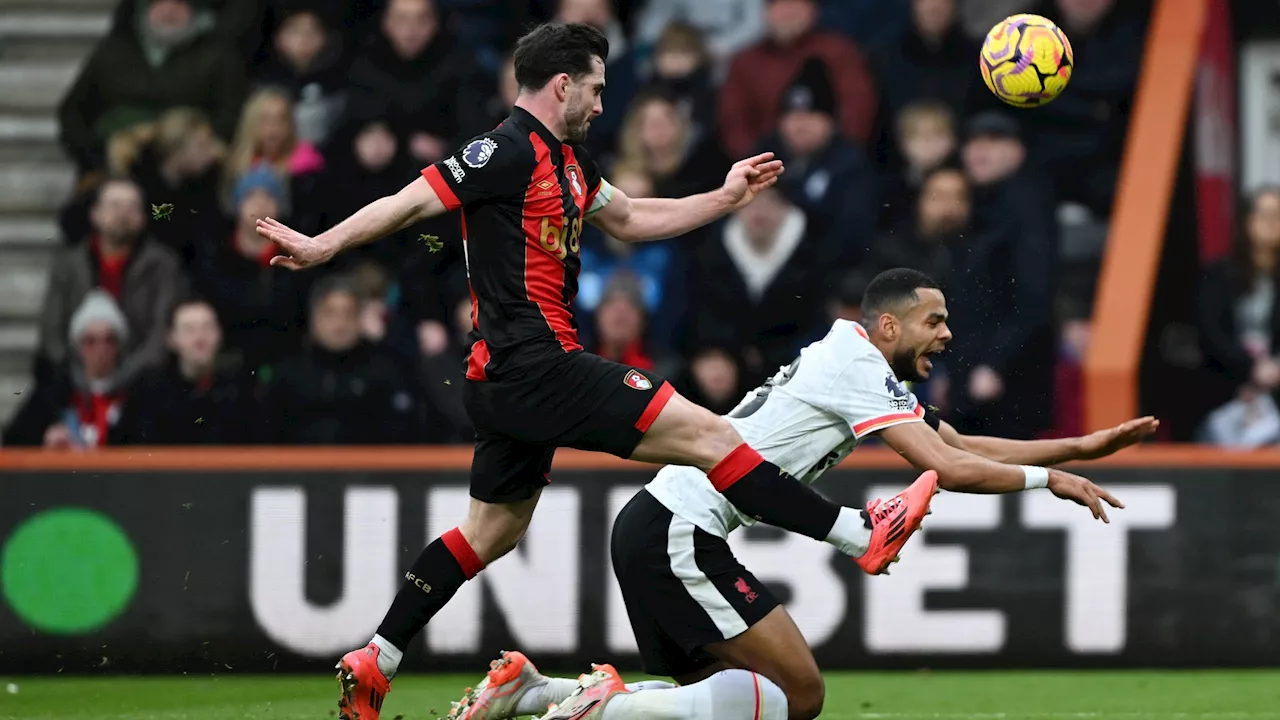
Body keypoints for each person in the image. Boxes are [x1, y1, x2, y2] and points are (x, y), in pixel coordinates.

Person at [254, 22, 928, 720]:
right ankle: (857, 533)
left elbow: (634, 218)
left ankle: (377, 659)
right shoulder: (505, 149)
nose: (604, 104)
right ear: (562, 84)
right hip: (536, 365)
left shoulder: (572, 163)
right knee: (713, 438)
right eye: (598, 89)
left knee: (489, 534)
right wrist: (322, 245)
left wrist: (724, 199)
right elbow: (412, 203)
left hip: (505, 381)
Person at [445, 268, 1157, 720]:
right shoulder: (855, 362)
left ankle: (534, 693)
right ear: (889, 324)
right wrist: (1051, 481)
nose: (946, 333)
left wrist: (1077, 446)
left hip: (659, 526)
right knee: (798, 696)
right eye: (933, 320)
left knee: (729, 697)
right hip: (679, 531)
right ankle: (598, 710)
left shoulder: (854, 364)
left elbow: (962, 444)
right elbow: (949, 466)